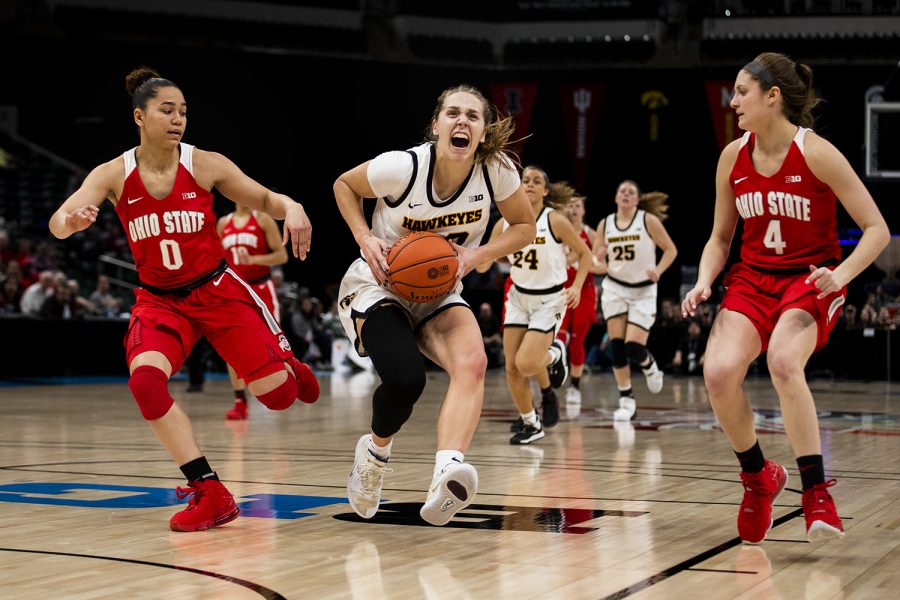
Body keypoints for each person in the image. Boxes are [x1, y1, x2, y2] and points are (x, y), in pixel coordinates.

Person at [49, 67, 320, 532]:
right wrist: (70, 223)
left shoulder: (205, 163)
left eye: (183, 112)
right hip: (160, 301)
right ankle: (209, 490)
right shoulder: (113, 173)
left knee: (278, 399)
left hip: (218, 291)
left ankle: (287, 363)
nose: (178, 119)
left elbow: (265, 197)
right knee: (145, 383)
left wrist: (291, 206)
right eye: (167, 110)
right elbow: (59, 218)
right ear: (139, 115)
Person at [681, 52, 890, 544]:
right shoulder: (733, 156)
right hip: (752, 278)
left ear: (773, 97)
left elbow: (877, 229)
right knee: (718, 372)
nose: (733, 101)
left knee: (781, 362)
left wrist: (840, 277)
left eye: (742, 92)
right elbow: (719, 237)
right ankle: (758, 478)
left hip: (807, 280)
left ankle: (817, 491)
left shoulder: (816, 152)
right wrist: (704, 279)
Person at [333, 83, 535, 525]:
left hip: (440, 292)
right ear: (437, 124)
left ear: (482, 132)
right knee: (406, 381)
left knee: (474, 363)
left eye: (473, 116)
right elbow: (344, 185)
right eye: (453, 113)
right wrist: (365, 237)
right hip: (381, 285)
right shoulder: (401, 167)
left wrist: (477, 256)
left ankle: (447, 470)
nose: (462, 121)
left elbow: (524, 226)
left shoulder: (495, 170)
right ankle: (373, 455)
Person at [478, 168, 592, 445]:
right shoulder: (504, 223)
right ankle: (531, 423)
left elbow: (585, 254)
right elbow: (483, 264)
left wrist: (576, 287)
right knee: (512, 369)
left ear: (545, 192)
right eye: (525, 180)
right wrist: (480, 254)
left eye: (536, 181)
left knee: (526, 362)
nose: (529, 184)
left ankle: (556, 355)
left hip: (549, 298)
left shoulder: (554, 220)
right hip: (518, 297)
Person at [593, 181, 678, 420]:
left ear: (637, 199)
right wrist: (598, 257)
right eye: (622, 191)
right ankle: (626, 399)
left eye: (631, 192)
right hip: (616, 287)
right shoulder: (605, 224)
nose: (626, 194)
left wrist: (659, 270)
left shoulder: (647, 220)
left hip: (643, 290)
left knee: (633, 346)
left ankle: (650, 366)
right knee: (617, 346)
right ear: (616, 197)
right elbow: (597, 262)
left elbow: (670, 249)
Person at [218, 202, 288, 420]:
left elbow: (281, 256)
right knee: (231, 348)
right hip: (234, 290)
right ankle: (240, 401)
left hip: (261, 287)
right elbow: (215, 256)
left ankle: (286, 389)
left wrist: (256, 259)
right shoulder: (223, 223)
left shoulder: (262, 219)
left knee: (274, 342)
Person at [556, 193, 602, 405]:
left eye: (578, 206)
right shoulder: (558, 231)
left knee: (577, 341)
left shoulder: (590, 234)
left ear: (583, 210)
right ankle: (554, 369)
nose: (574, 209)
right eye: (571, 205)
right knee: (558, 335)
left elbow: (605, 266)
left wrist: (586, 261)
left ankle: (574, 386)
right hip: (563, 287)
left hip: (584, 289)